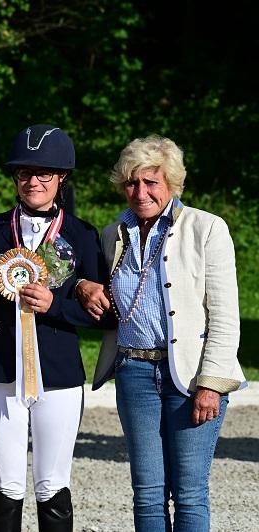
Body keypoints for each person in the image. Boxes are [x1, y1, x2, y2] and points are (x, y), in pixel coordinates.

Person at [77, 135, 246, 531]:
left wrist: (211, 384)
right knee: (148, 494)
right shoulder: (112, 232)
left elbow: (224, 315)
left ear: (171, 183)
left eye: (151, 182)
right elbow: (101, 292)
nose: (140, 192)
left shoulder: (207, 229)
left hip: (190, 379)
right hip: (134, 373)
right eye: (132, 183)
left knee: (189, 494)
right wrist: (83, 285)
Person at [0, 124, 108, 531]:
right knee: (4, 484)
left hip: (58, 374)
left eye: (44, 173)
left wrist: (57, 304)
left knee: (52, 483)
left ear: (62, 178)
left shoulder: (83, 236)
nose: (33, 181)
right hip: (2, 373)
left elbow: (106, 314)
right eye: (24, 173)